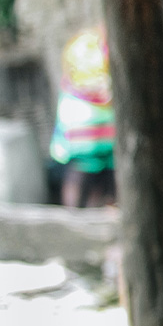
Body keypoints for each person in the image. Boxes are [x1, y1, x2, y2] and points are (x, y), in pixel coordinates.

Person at [50, 26, 116, 208]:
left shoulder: (79, 46)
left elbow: (69, 78)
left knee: (80, 173)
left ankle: (73, 221)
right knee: (109, 179)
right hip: (107, 126)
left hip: (79, 123)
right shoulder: (108, 46)